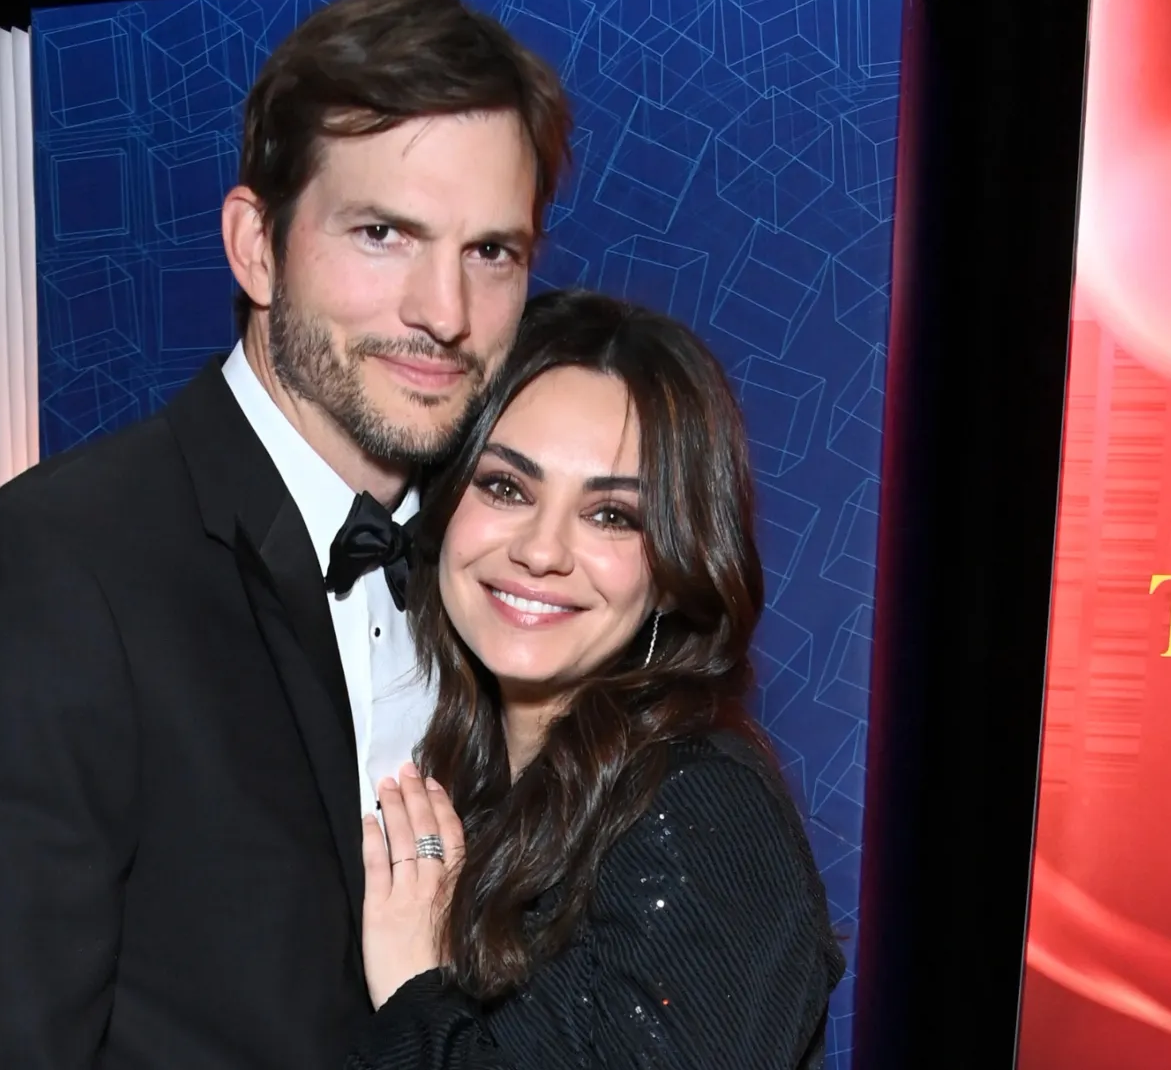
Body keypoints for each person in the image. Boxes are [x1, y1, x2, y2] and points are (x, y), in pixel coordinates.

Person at [0, 0, 570, 1066]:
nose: (445, 310)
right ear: (256, 246)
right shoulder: (55, 575)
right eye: (383, 233)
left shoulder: (510, 578)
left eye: (492, 252)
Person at [347, 289, 845, 1068]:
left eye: (612, 515)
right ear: (444, 510)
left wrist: (421, 990)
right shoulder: (459, 784)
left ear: (679, 568)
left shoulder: (701, 811)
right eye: (506, 487)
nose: (542, 551)